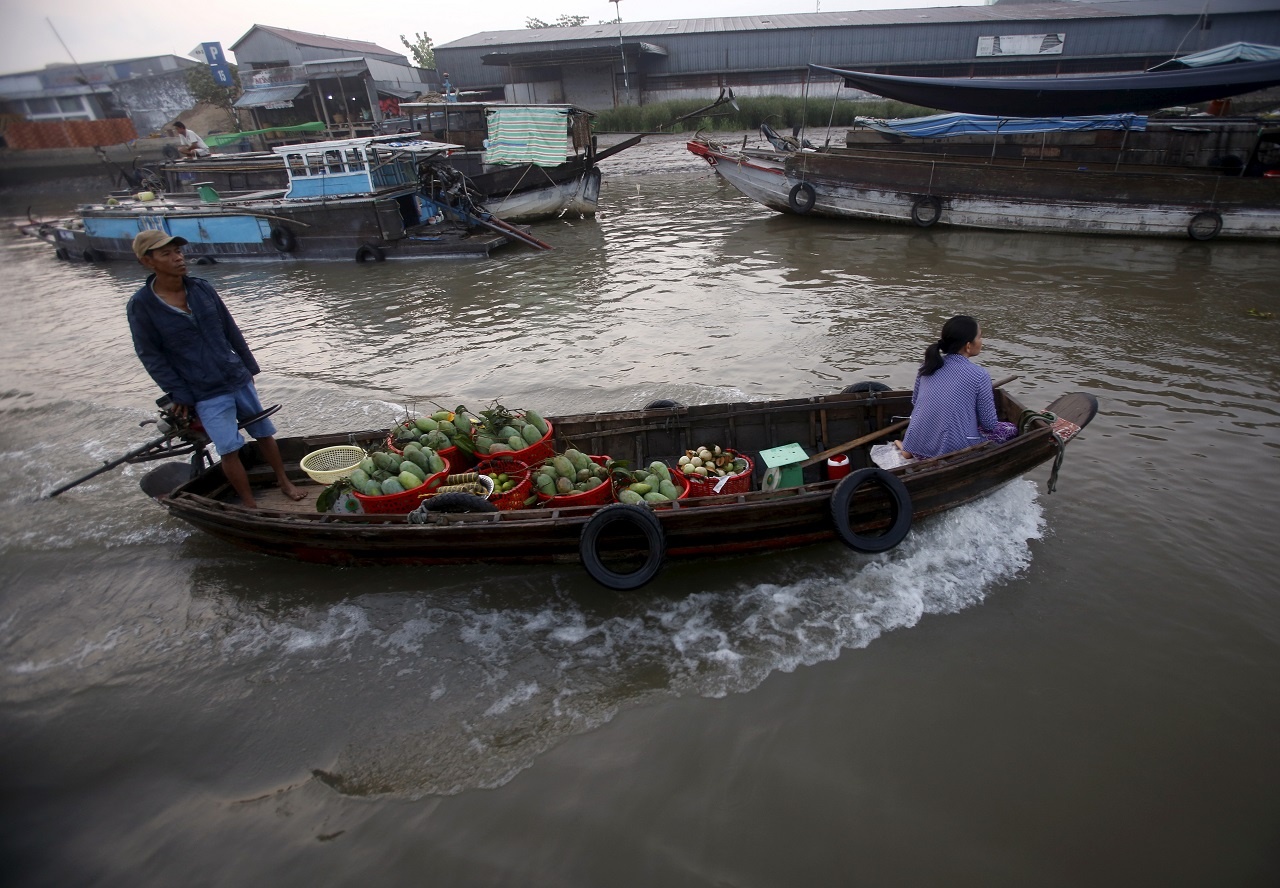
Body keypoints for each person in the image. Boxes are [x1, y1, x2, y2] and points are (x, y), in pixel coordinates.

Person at [126, 230, 305, 507]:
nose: (177, 258)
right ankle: (250, 505)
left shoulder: (201, 288)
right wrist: (179, 393)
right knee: (229, 448)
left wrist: (248, 368)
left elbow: (230, 329)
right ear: (147, 261)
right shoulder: (142, 306)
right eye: (167, 254)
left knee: (264, 433)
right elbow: (151, 356)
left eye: (178, 252)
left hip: (235, 375)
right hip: (203, 390)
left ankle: (285, 482)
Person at [899, 315, 1018, 460]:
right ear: (968, 346)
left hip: (916, 443)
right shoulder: (979, 374)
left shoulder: (926, 366)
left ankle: (908, 450)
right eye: (980, 337)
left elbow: (915, 402)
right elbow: (989, 423)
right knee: (1010, 429)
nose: (982, 342)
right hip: (951, 450)